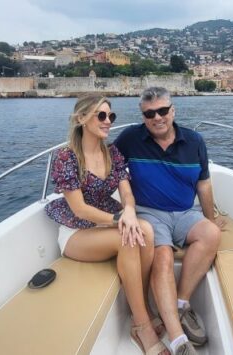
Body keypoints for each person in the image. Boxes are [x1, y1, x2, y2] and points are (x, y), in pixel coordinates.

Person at [44, 94, 169, 355]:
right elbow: (79, 208)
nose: (108, 121)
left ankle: (142, 304)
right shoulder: (66, 157)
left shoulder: (112, 152)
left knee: (144, 230)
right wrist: (118, 219)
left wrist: (131, 211)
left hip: (106, 225)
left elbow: (126, 192)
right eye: (101, 115)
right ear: (81, 119)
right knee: (128, 237)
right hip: (77, 232)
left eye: (111, 116)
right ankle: (142, 326)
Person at [115, 87, 224, 355]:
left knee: (211, 234)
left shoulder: (194, 141)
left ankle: (181, 303)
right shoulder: (130, 138)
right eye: (149, 113)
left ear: (173, 111)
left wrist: (211, 217)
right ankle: (178, 341)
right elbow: (104, 163)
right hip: (149, 213)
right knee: (162, 257)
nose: (157, 117)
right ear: (143, 116)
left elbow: (204, 183)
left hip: (186, 213)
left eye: (163, 110)